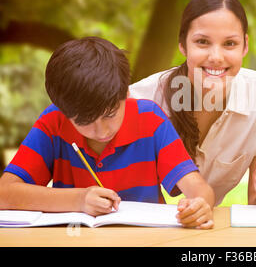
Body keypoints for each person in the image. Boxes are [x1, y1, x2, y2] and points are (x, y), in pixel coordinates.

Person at [0, 37, 215, 229]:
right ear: (63, 111)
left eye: (110, 114)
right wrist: (79, 200)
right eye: (84, 121)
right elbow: (4, 193)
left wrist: (199, 204)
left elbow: (199, 188)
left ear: (127, 93)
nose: (101, 131)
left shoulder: (150, 120)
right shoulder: (53, 123)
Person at [130, 0, 256, 206]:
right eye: (202, 42)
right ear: (182, 45)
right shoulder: (141, 100)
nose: (216, 57)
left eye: (229, 44)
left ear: (245, 45)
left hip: (209, 228)